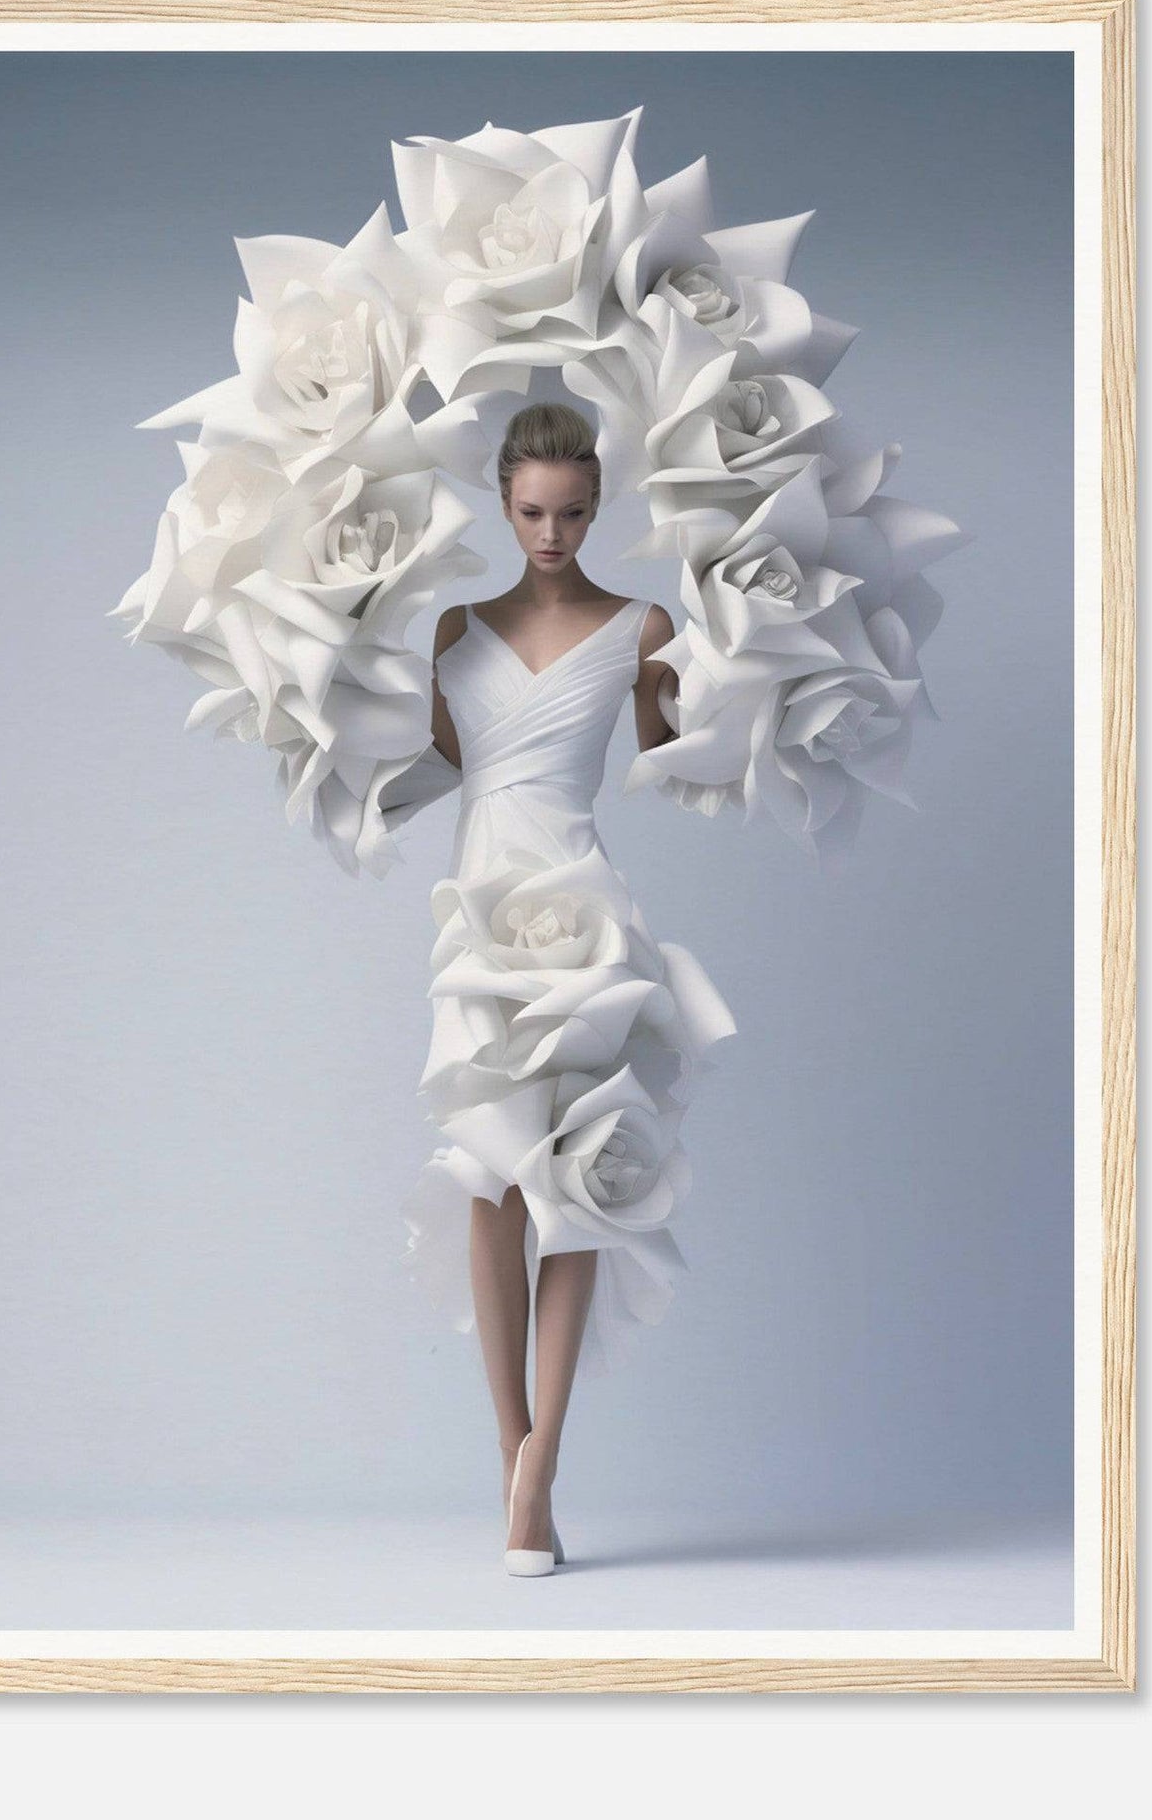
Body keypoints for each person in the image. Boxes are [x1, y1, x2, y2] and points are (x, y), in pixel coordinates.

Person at [406, 401, 733, 1575]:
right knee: (489, 1177)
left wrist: (733, 672)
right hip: (475, 912)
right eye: (534, 510)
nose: (553, 531)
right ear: (502, 500)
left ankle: (540, 1468)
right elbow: (433, 771)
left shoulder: (640, 623)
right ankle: (515, 1463)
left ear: (601, 504)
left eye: (577, 510)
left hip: (583, 911)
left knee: (582, 1180)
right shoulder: (451, 628)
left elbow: (669, 756)